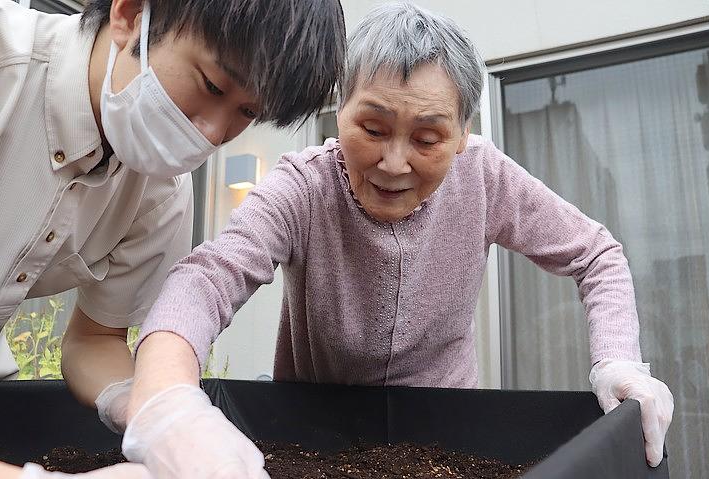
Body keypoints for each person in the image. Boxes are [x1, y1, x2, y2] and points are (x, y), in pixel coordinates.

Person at [120, 3, 675, 478]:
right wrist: (168, 398)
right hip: (312, 435)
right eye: (373, 128)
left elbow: (596, 254)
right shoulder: (304, 185)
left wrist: (618, 362)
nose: (393, 163)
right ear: (340, 113)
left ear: (462, 135)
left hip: (448, 433)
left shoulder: (484, 178)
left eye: (428, 138)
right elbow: (210, 276)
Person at [0, 0, 345, 477]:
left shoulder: (160, 191)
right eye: (212, 85)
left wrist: (156, 412)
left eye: (247, 112)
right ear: (129, 16)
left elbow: (95, 340)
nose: (213, 132)